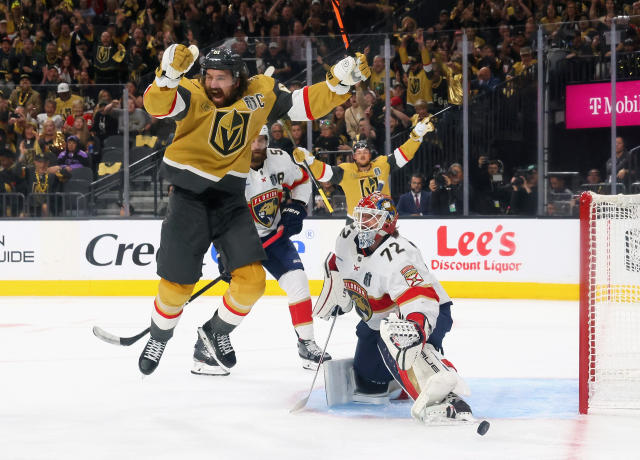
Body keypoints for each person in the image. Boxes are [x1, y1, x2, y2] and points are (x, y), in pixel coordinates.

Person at [138, 44, 371, 375]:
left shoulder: (260, 92)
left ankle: (213, 333)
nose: (214, 84)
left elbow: (303, 105)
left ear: (238, 78)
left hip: (231, 199)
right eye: (209, 77)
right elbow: (157, 106)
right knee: (176, 285)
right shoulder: (191, 91)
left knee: (252, 282)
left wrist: (338, 85)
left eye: (222, 78)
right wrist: (169, 76)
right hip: (188, 197)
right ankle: (159, 336)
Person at [313, 192, 477, 425]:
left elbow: (419, 297)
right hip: (379, 318)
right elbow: (337, 262)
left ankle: (448, 396)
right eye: (360, 216)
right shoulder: (347, 238)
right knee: (369, 382)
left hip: (427, 311)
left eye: (370, 218)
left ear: (387, 223)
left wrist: (416, 329)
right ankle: (403, 377)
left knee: (398, 339)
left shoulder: (399, 255)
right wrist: (336, 287)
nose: (361, 223)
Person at [192, 127, 331, 376]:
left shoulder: (278, 157)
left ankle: (306, 344)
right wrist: (224, 250)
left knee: (298, 281)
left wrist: (296, 207)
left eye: (261, 140)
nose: (256, 146)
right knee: (250, 289)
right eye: (251, 140)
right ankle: (211, 337)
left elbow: (301, 181)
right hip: (239, 239)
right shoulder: (227, 168)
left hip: (274, 235)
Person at [293, 118, 434, 218]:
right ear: (353, 156)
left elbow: (404, 154)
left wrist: (415, 137)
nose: (362, 155)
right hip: (355, 222)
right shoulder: (346, 171)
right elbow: (323, 173)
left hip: (383, 220)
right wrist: (309, 160)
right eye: (358, 153)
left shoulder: (383, 164)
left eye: (365, 152)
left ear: (370, 154)